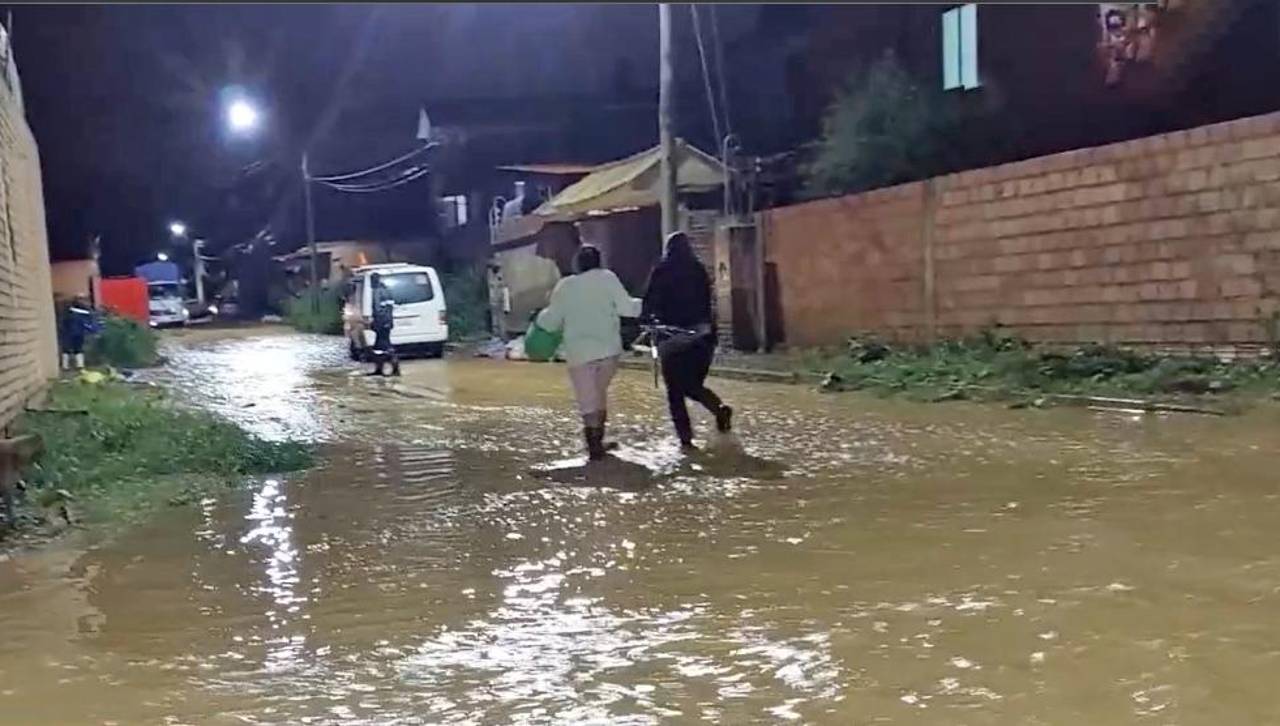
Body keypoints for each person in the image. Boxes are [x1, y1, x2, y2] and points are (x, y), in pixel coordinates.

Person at [536, 245, 641, 460]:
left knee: (587, 400)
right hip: (608, 352)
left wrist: (539, 318)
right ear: (598, 261)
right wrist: (645, 304)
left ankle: (594, 448)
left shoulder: (565, 286)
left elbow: (551, 321)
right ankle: (598, 441)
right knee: (599, 394)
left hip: (579, 355)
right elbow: (627, 309)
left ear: (577, 264)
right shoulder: (608, 278)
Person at [642, 232, 733, 450]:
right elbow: (707, 302)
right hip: (703, 338)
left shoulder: (661, 271)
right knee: (692, 386)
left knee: (675, 391)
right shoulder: (699, 270)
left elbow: (649, 303)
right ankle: (718, 408)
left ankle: (686, 441)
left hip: (672, 337)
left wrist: (647, 320)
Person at [368, 273, 400, 377]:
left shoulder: (377, 291)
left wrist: (375, 322)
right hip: (387, 322)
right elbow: (390, 308)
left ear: (374, 281)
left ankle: (395, 368)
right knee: (379, 347)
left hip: (381, 323)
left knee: (385, 346)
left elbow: (378, 310)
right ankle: (379, 369)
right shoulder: (387, 290)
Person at [59, 297, 96, 371]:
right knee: (78, 349)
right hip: (79, 333)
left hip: (68, 333)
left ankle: (65, 366)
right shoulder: (84, 313)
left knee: (66, 349)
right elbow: (87, 323)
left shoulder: (67, 312)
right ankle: (80, 365)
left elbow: (63, 323)